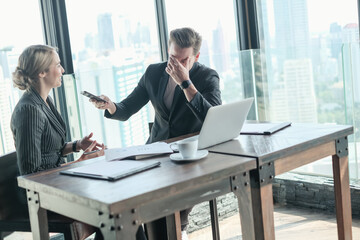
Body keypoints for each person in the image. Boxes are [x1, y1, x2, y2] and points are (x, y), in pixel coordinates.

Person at [91, 27, 222, 239]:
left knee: (166, 210)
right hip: (156, 153)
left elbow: (213, 119)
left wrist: (186, 83)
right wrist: (110, 106)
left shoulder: (207, 77)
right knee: (122, 202)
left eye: (183, 60)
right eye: (172, 58)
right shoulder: (153, 73)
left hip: (190, 160)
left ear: (196, 57)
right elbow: (126, 108)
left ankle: (177, 230)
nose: (176, 66)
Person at [10, 44, 108, 240]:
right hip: (40, 195)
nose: (62, 70)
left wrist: (77, 145)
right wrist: (77, 164)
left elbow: (49, 150)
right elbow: (32, 173)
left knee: (116, 207)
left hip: (55, 185)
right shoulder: (29, 110)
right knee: (110, 210)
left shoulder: (44, 100)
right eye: (58, 65)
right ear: (41, 72)